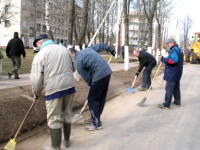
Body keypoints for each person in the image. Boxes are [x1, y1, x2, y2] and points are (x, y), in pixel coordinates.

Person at [31, 34, 76, 149]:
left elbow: (36, 79)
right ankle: (67, 141)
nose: (37, 47)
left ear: (40, 43)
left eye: (37, 45)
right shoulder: (64, 49)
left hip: (53, 89)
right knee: (67, 114)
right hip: (69, 86)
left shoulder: (41, 54)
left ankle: (55, 147)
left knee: (54, 118)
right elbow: (74, 68)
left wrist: (36, 93)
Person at [69, 43, 116, 131]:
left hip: (99, 75)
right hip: (107, 73)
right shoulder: (88, 49)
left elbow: (88, 79)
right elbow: (102, 45)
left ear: (73, 54)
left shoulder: (78, 62)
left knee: (92, 99)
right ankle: (96, 117)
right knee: (100, 97)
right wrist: (111, 50)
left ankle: (96, 123)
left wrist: (93, 88)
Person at [158, 38, 183, 109]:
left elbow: (173, 61)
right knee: (176, 88)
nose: (167, 45)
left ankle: (166, 104)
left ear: (172, 43)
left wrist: (164, 60)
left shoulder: (174, 50)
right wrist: (168, 56)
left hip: (172, 73)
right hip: (177, 73)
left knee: (169, 88)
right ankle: (177, 102)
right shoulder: (179, 49)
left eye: (168, 44)